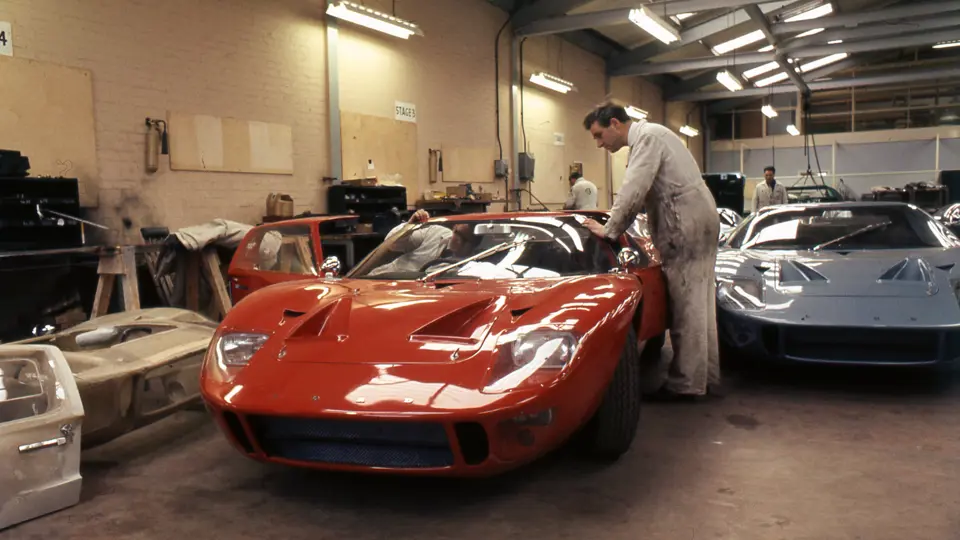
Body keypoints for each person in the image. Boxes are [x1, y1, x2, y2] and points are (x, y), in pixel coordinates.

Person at [580, 102, 720, 401]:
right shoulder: (654, 135)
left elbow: (634, 188)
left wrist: (610, 229)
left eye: (599, 135)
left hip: (686, 223)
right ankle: (706, 376)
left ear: (615, 124)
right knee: (700, 300)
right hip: (699, 218)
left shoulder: (646, 139)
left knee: (686, 305)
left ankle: (686, 384)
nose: (599, 143)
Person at [366, 210, 478, 276]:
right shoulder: (434, 232)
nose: (458, 239)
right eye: (457, 233)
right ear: (454, 228)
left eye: (464, 239)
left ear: (474, 244)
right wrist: (409, 227)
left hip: (414, 292)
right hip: (383, 278)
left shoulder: (471, 267)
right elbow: (391, 243)